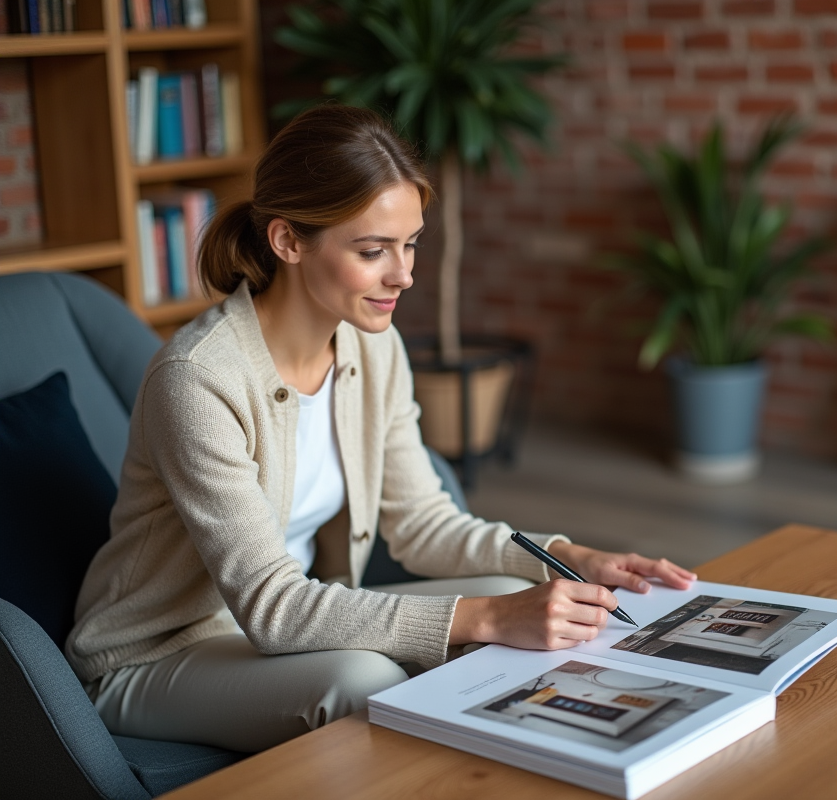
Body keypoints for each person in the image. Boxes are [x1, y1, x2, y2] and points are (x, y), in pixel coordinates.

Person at [66, 104, 695, 754]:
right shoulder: (198, 379)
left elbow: (424, 525)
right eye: (373, 251)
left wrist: (566, 557)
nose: (405, 274)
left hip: (289, 621)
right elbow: (272, 607)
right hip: (158, 654)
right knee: (366, 677)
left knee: (520, 591)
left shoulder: (372, 346)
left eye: (410, 243)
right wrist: (484, 618)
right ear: (287, 242)